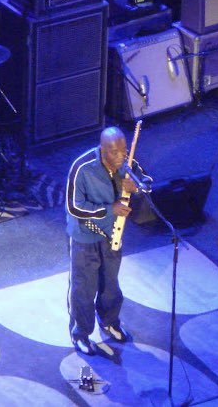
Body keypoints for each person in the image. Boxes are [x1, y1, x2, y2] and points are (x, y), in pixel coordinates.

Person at [65, 126, 152, 355]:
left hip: (113, 234)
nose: (121, 156)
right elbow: (74, 207)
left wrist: (137, 187)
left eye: (124, 150)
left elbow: (147, 182)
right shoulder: (82, 167)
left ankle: (110, 321)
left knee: (110, 283)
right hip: (85, 236)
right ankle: (80, 333)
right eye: (114, 152)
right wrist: (110, 209)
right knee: (84, 286)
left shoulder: (127, 162)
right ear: (102, 150)